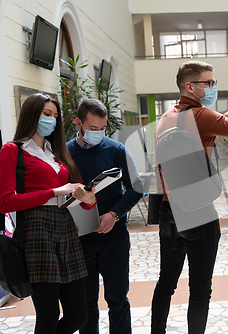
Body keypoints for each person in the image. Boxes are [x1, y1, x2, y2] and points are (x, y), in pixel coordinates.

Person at [151, 60, 228, 334]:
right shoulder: (201, 116)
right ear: (190, 86)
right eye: (208, 83)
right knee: (199, 288)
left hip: (168, 210)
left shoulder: (164, 119)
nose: (212, 87)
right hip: (198, 211)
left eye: (213, 82)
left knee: (166, 283)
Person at [0, 93, 97, 333]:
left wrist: (89, 199)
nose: (52, 120)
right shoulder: (12, 151)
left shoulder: (57, 154)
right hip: (36, 233)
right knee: (48, 315)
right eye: (46, 114)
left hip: (65, 228)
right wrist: (53, 190)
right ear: (31, 114)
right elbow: (5, 202)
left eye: (55, 115)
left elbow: (77, 196)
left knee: (78, 315)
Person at [67, 99, 144, 333]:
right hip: (80, 239)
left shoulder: (116, 150)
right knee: (86, 302)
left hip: (114, 237)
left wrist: (114, 214)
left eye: (103, 128)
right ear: (78, 122)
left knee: (118, 300)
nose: (99, 134)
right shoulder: (65, 153)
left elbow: (137, 187)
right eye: (93, 128)